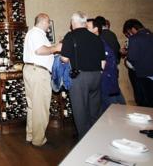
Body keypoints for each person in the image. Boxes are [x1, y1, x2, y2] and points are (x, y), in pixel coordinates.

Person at [60, 12, 105, 139]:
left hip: (80, 78)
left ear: (73, 23)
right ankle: (96, 137)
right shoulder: (96, 38)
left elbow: (64, 59)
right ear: (84, 23)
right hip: (96, 76)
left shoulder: (70, 36)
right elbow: (103, 63)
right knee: (94, 110)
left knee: (80, 111)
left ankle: (84, 140)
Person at [23, 13, 62, 146]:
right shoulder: (37, 33)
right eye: (48, 23)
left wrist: (52, 48)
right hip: (38, 72)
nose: (49, 26)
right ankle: (38, 140)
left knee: (33, 106)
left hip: (31, 70)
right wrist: (56, 48)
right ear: (44, 22)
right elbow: (40, 51)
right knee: (41, 107)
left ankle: (31, 135)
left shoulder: (32, 33)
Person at [125, 18, 153, 109]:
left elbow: (131, 58)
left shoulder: (134, 39)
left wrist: (127, 58)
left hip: (147, 76)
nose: (129, 34)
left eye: (129, 32)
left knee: (149, 108)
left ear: (133, 29)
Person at [88, 18, 125, 112]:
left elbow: (104, 63)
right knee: (116, 104)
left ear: (96, 29)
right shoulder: (97, 41)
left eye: (87, 27)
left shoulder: (99, 42)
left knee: (111, 109)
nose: (84, 29)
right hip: (108, 78)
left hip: (106, 79)